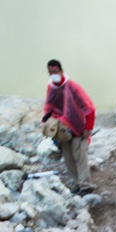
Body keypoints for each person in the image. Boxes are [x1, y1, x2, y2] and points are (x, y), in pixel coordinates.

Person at [41, 59, 95, 194]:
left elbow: (89, 108)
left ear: (61, 71)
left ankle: (86, 186)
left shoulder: (73, 87)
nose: (53, 75)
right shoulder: (51, 87)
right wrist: (48, 123)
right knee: (68, 157)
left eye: (55, 72)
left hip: (78, 127)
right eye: (50, 72)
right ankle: (77, 184)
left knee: (80, 156)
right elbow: (49, 107)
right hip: (62, 129)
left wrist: (88, 128)